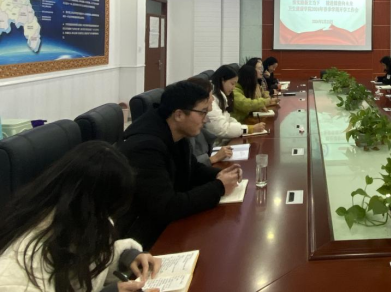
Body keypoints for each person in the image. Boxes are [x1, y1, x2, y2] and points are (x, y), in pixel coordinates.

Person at [0, 141, 161, 293]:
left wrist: (125, 257)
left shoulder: (76, 218)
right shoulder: (15, 271)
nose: (108, 221)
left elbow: (85, 260)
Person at [116, 80, 242, 249]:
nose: (205, 119)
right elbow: (167, 207)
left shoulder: (174, 131)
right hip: (143, 240)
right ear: (179, 115)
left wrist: (219, 175)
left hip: (164, 226)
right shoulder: (145, 147)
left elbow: (191, 169)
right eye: (202, 113)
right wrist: (219, 187)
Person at [208, 65, 266, 140]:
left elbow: (227, 118)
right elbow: (223, 129)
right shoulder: (211, 100)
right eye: (232, 84)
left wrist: (242, 127)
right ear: (222, 80)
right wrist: (249, 129)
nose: (234, 88)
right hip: (218, 142)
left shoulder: (221, 97)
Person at [187, 77, 235, 167]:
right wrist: (214, 158)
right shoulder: (190, 126)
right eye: (210, 95)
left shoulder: (200, 117)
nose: (213, 99)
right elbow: (189, 164)